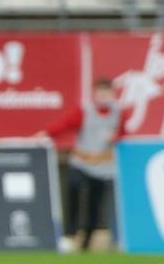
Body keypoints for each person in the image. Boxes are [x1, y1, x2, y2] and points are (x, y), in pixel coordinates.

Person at [39, 79, 126, 253]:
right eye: (99, 93)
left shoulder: (118, 112)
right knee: (73, 192)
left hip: (103, 166)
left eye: (106, 93)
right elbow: (65, 124)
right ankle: (70, 235)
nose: (102, 97)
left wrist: (116, 137)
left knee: (96, 203)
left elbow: (123, 132)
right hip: (81, 162)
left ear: (112, 94)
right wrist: (45, 133)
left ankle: (87, 239)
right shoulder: (84, 110)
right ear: (94, 93)